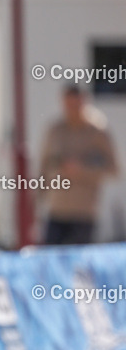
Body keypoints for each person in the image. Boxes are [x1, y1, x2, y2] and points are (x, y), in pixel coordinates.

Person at [40, 84, 118, 245]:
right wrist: (36, 201)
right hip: (57, 210)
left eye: (75, 105)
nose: (72, 110)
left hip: (83, 213)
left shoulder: (98, 131)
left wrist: (82, 170)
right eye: (68, 105)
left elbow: (113, 170)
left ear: (83, 102)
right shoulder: (55, 130)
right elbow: (44, 167)